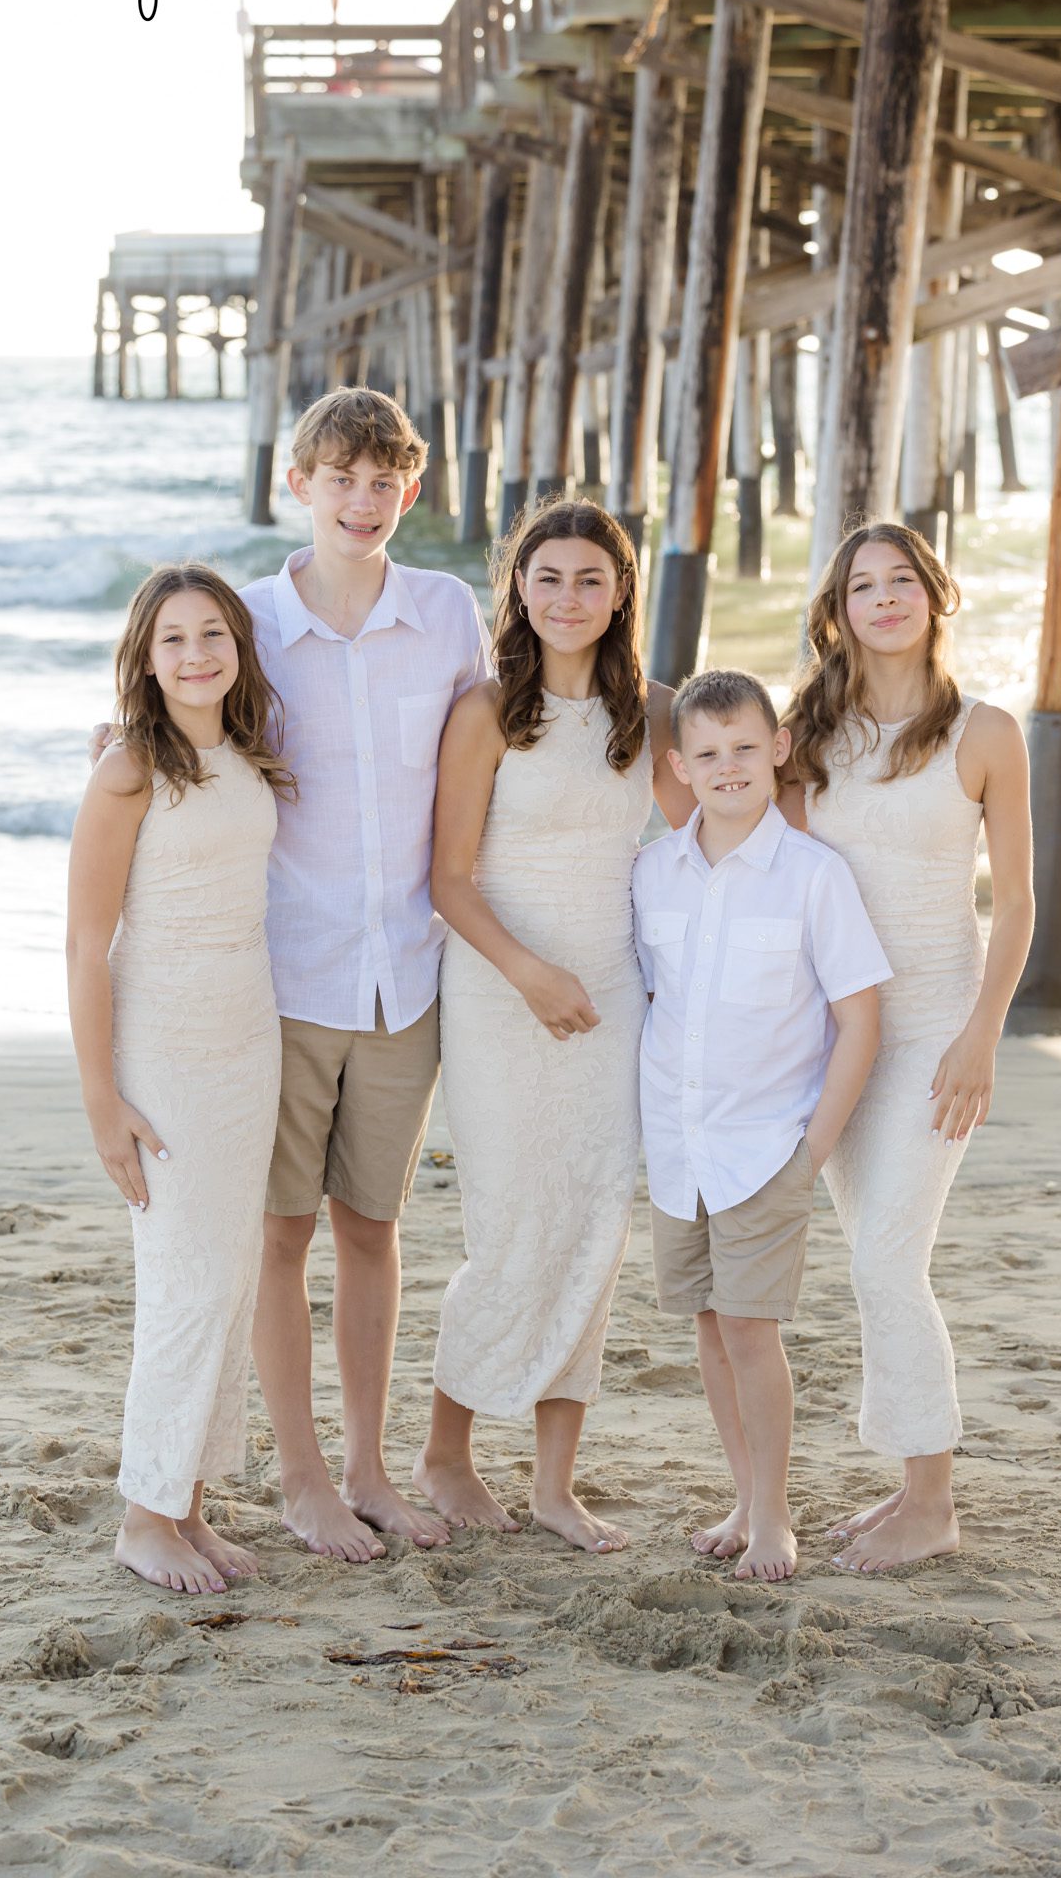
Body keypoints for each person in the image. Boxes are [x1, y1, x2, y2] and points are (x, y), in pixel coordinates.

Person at [412, 500, 694, 1552]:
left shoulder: (654, 712)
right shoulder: (487, 710)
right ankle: (445, 1451)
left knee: (593, 1227)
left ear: (622, 590)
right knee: (510, 1226)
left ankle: (555, 1486)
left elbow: (724, 810)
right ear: (517, 590)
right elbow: (446, 876)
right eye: (548, 577)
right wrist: (530, 972)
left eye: (590, 578)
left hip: (613, 995)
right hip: (499, 987)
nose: (568, 596)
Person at [241, 387, 491, 1563]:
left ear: (413, 487)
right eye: (340, 477)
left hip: (409, 974)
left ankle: (370, 1469)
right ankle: (299, 1479)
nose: (362, 498)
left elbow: (521, 734)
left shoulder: (447, 613)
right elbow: (168, 730)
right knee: (282, 1233)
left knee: (373, 1227)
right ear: (299, 484)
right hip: (287, 976)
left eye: (384, 479)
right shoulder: (244, 624)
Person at [780, 522, 1034, 1573]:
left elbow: (1015, 904)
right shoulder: (810, 730)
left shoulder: (986, 731)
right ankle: (907, 1482)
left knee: (891, 1253)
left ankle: (932, 1499)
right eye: (862, 585)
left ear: (935, 594)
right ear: (838, 609)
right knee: (874, 1255)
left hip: (936, 1026)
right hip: (837, 1031)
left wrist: (982, 1035)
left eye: (902, 581)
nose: (884, 599)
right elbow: (769, 866)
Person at [67, 563, 295, 1594]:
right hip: (164, 1045)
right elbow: (83, 942)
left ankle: (188, 1504)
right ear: (145, 657)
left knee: (228, 1274)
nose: (197, 653)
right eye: (174, 639)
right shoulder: (126, 768)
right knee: (186, 1282)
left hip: (248, 1036)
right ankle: (143, 1514)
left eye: (214, 634)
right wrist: (103, 1101)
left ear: (238, 647)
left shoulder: (244, 755)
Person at [633, 670, 889, 1582]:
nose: (727, 766)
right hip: (678, 1143)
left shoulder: (812, 877)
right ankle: (743, 1497)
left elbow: (860, 1017)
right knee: (707, 1324)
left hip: (764, 1144)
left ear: (779, 750)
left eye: (745, 747)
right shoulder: (654, 871)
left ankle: (774, 1514)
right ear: (678, 765)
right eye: (706, 753)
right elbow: (657, 997)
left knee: (750, 1328)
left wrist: (811, 1147)